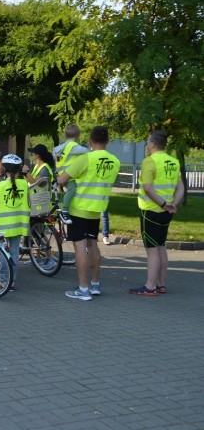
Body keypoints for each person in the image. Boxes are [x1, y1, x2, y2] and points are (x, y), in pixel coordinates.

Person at [58, 126, 120, 301]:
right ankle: (95, 284)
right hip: (97, 209)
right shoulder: (114, 161)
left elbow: (62, 179)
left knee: (80, 247)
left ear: (90, 141)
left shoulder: (85, 159)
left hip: (79, 208)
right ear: (107, 141)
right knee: (93, 245)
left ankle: (83, 288)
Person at [131, 130, 184, 296]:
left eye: (148, 142)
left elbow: (147, 188)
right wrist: (172, 204)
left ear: (153, 144)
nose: (147, 145)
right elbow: (181, 187)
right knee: (161, 246)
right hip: (167, 212)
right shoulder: (173, 162)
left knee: (152, 249)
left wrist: (163, 204)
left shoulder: (150, 161)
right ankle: (161, 283)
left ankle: (150, 286)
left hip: (151, 210)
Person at [0, 154, 30, 289]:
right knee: (14, 251)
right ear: (19, 169)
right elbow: (28, 202)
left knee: (2, 251)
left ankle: (3, 281)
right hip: (18, 224)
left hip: (2, 225)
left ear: (4, 169)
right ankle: (12, 281)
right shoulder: (24, 184)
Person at [53, 124, 90, 223]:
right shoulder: (73, 146)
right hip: (69, 175)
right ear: (78, 136)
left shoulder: (59, 147)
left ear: (65, 135)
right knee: (72, 190)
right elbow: (87, 151)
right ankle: (65, 211)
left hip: (60, 174)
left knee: (70, 191)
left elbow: (56, 158)